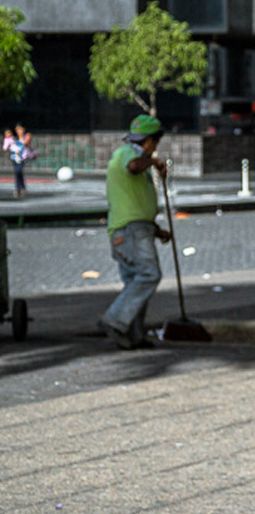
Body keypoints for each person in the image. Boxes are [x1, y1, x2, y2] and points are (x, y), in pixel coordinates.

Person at [99, 115, 173, 350]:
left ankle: (133, 337)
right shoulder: (128, 155)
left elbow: (134, 204)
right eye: (154, 143)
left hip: (129, 230)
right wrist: (154, 162)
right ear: (150, 141)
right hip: (130, 231)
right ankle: (114, 320)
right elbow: (132, 167)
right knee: (149, 275)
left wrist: (157, 231)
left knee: (135, 282)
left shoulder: (133, 158)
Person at [9, 124, 30, 197]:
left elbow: (24, 143)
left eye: (20, 129)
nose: (18, 131)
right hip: (15, 156)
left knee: (18, 170)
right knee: (17, 172)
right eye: (17, 129)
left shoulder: (26, 136)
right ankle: (21, 188)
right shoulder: (14, 138)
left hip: (23, 157)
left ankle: (19, 188)